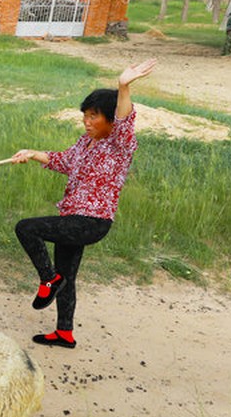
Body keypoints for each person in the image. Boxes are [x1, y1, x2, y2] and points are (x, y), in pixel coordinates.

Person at [10, 58, 158, 349]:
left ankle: (48, 281)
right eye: (85, 116)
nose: (87, 122)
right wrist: (31, 153)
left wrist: (123, 85)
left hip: (91, 221)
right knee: (67, 276)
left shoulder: (120, 144)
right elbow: (63, 160)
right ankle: (64, 333)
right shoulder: (84, 142)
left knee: (26, 228)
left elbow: (126, 119)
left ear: (110, 120)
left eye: (94, 117)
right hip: (72, 218)